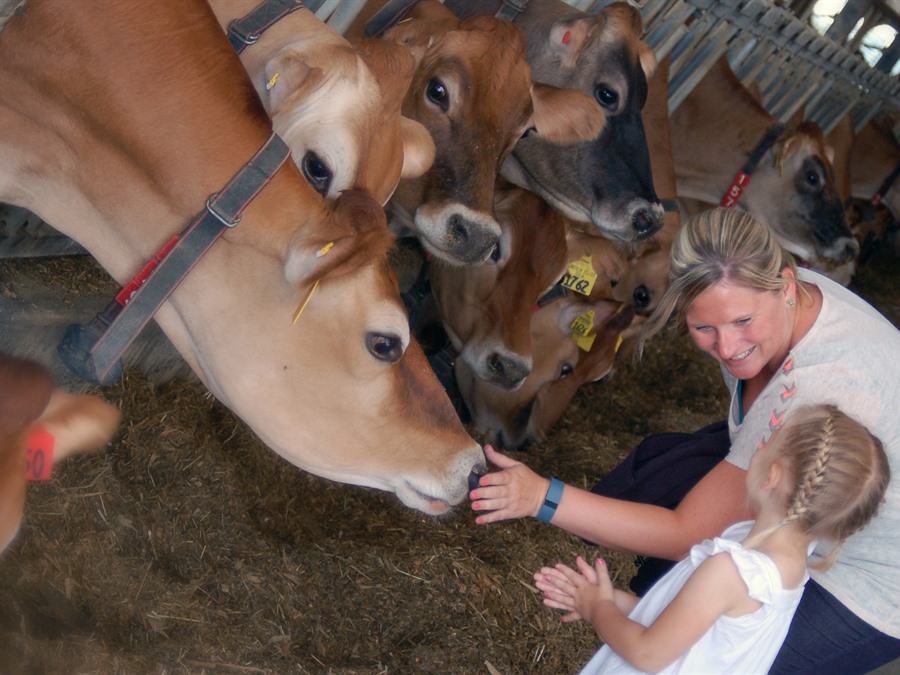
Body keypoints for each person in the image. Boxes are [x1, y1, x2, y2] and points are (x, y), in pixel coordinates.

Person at [468, 208, 900, 673]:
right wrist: (627, 604)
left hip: (874, 582)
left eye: (741, 322)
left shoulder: (821, 389)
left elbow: (685, 539)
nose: (728, 347)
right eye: (704, 329)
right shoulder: (772, 306)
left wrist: (541, 497)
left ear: (787, 286)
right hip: (810, 529)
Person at [534, 404, 890, 674]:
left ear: (772, 475)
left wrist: (598, 609)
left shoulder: (733, 570)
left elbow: (649, 654)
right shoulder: (787, 566)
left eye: (767, 442)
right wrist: (607, 598)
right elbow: (691, 624)